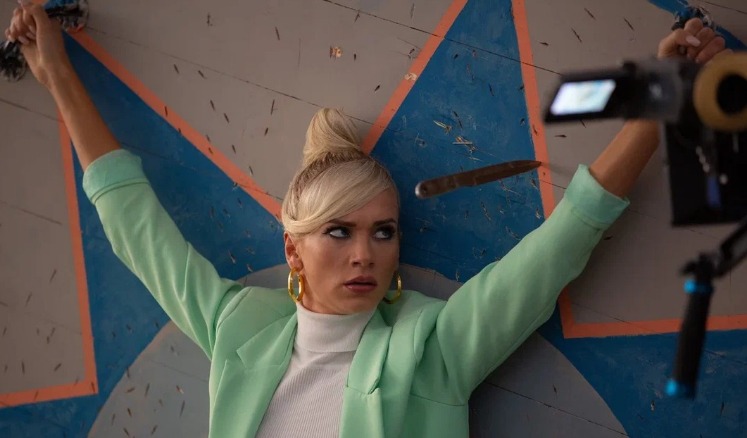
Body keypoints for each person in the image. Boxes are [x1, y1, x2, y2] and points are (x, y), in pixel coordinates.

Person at [5, 3, 728, 437]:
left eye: (383, 232)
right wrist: (58, 75)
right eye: (339, 232)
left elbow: (563, 241)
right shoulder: (237, 331)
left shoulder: (433, 347)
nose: (366, 254)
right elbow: (135, 225)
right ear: (292, 250)